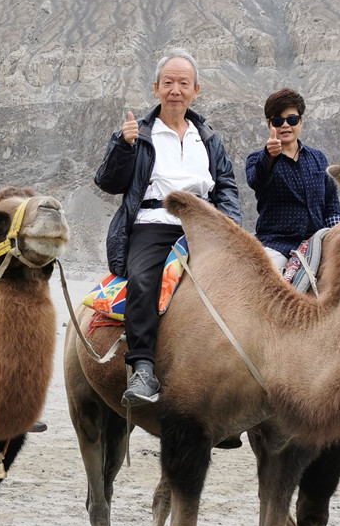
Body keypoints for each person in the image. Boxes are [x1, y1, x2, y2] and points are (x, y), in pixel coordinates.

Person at [94, 48, 241, 406]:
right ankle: (143, 367)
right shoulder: (138, 134)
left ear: (196, 91)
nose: (176, 90)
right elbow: (108, 183)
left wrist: (231, 228)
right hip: (154, 223)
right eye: (169, 83)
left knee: (243, 286)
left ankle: (241, 375)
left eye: (184, 83)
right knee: (144, 279)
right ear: (156, 88)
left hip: (205, 225)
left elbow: (227, 186)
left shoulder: (207, 137)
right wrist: (123, 146)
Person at [245, 88, 340, 271]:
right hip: (277, 245)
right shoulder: (257, 160)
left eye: (291, 119)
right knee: (264, 281)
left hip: (318, 243)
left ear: (301, 122)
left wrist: (337, 235)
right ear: (269, 125)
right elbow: (256, 180)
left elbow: (331, 202)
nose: (285, 125)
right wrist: (269, 156)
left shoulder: (318, 158)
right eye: (277, 120)